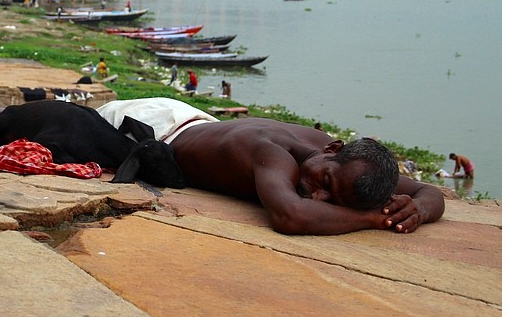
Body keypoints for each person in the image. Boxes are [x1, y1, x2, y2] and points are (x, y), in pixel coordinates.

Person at [168, 118, 445, 235]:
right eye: (325, 183)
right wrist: (375, 219)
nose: (316, 197)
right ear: (332, 148)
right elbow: (290, 216)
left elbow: (428, 192)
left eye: (332, 201)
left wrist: (416, 210)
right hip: (164, 129)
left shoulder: (345, 167)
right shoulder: (272, 152)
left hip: (203, 124)